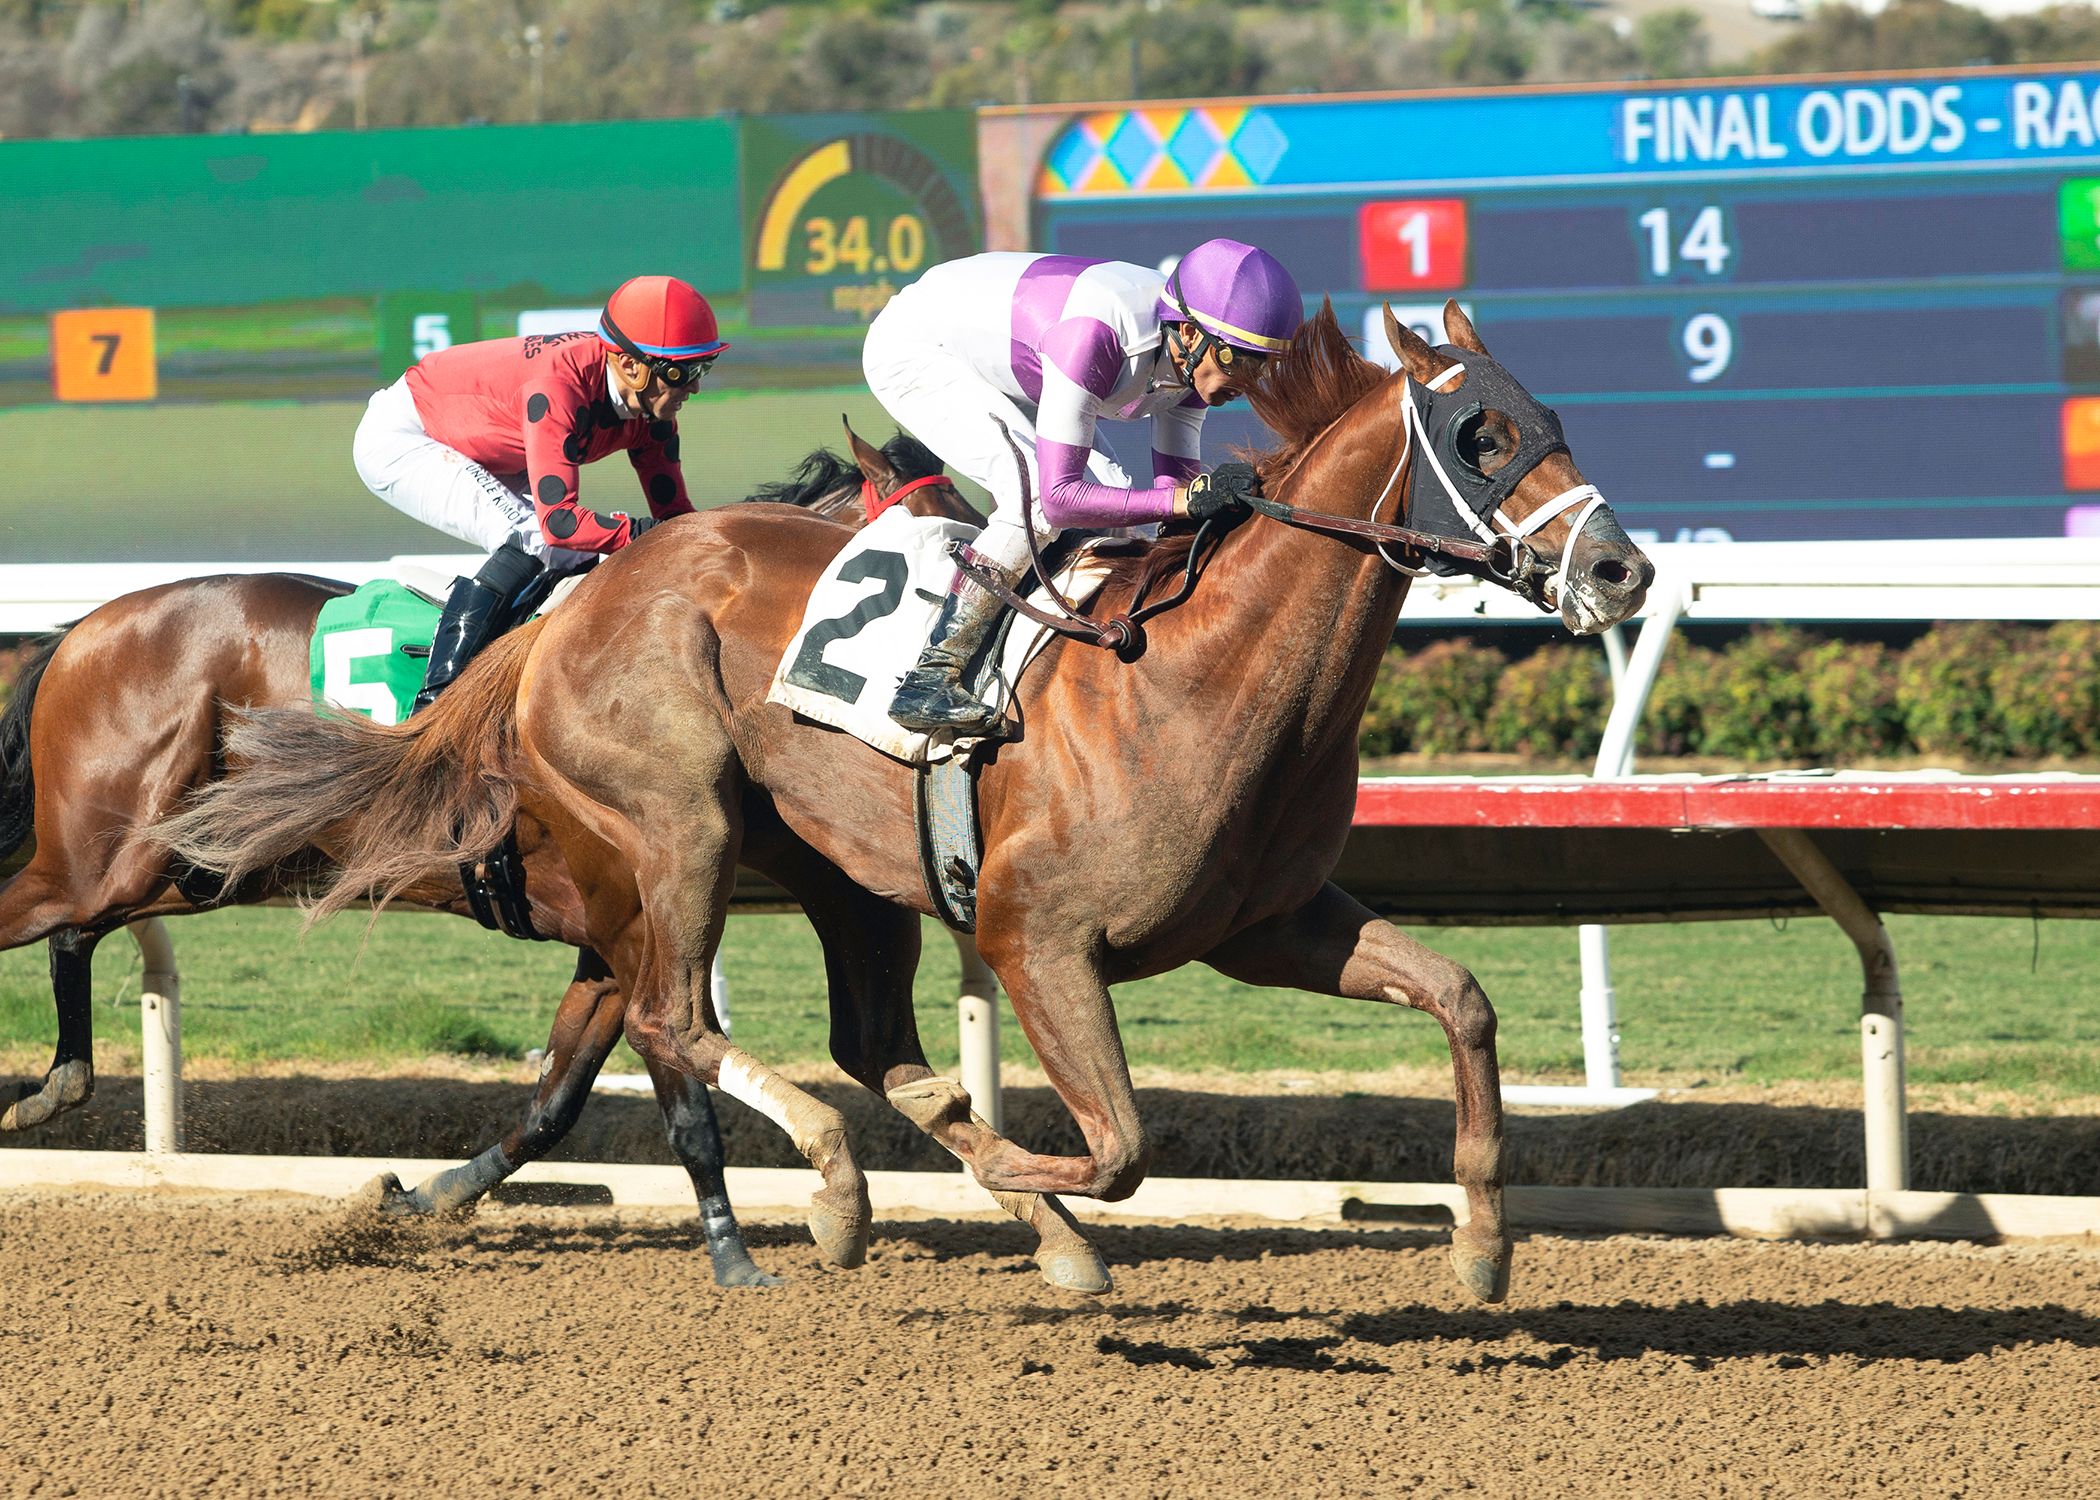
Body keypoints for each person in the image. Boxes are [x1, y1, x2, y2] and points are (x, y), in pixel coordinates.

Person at [862, 238, 1301, 737]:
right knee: (1032, 497)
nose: (1247, 382)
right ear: (1188, 332)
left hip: (1010, 353)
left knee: (1116, 493)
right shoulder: (1098, 336)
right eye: (1237, 360)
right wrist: (1185, 500)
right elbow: (1060, 499)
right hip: (918, 346)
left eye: (1261, 365)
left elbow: (1173, 494)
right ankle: (931, 676)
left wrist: (1205, 510)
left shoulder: (1192, 356)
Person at [351, 274, 727, 711]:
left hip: (486, 444)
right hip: (406, 435)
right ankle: (435, 706)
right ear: (630, 366)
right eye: (683, 372)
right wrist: (641, 532)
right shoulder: (560, 387)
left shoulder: (652, 412)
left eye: (703, 368)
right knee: (530, 536)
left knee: (570, 557)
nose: (694, 388)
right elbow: (559, 523)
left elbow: (676, 518)